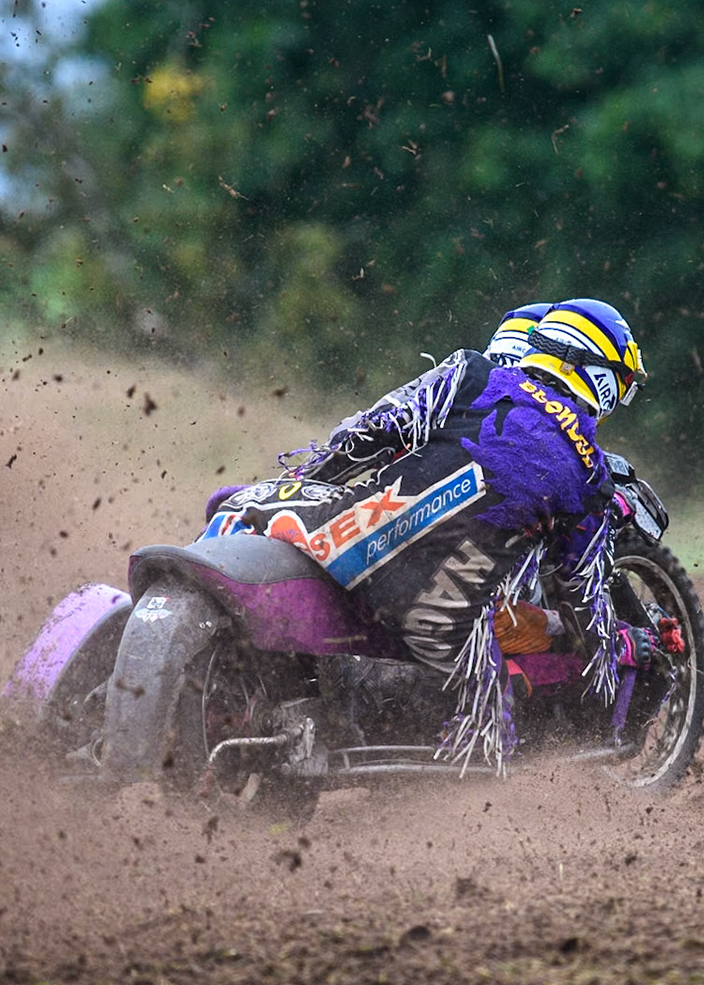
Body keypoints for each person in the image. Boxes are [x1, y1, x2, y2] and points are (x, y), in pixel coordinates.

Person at [202, 299, 654, 766]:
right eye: (622, 385)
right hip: (441, 626)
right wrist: (618, 648)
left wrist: (313, 481)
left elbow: (365, 434)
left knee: (231, 503)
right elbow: (578, 592)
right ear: (596, 374)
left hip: (344, 544)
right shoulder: (592, 476)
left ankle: (220, 647)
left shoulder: (471, 373)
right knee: (490, 752)